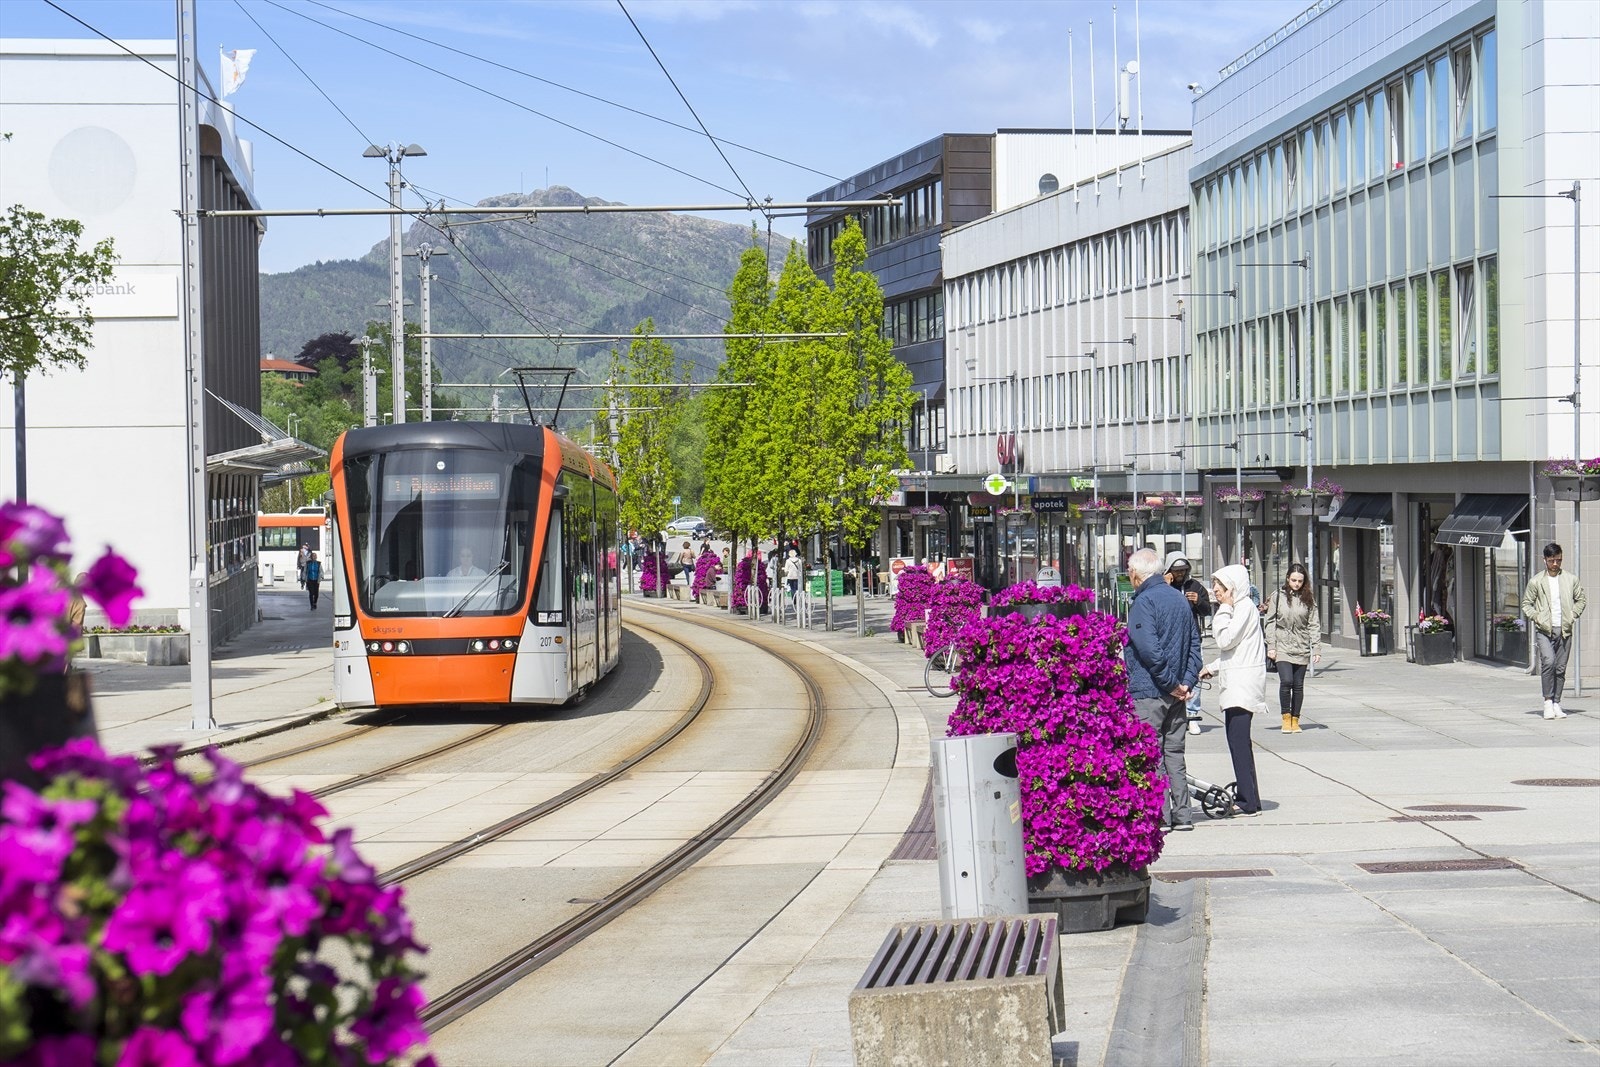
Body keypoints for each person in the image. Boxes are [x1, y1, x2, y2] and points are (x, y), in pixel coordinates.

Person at [1123, 547, 1203, 832]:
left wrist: (1173, 684)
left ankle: (1161, 816)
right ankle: (1183, 815)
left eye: (1130, 571)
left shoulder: (1143, 602)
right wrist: (1185, 683)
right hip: (1176, 692)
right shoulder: (1179, 599)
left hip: (1150, 691)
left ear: (1136, 573)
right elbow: (1195, 646)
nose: (1129, 576)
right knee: (1175, 754)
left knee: (1152, 754)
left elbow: (1149, 650)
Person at [1199, 564, 1267, 816]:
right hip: (1239, 681)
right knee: (1239, 743)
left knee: (1238, 743)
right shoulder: (1243, 608)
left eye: (1221, 586)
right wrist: (1212, 667)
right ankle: (1251, 797)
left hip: (1241, 687)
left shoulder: (1243, 607)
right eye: (1215, 585)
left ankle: (1247, 801)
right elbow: (1237, 652)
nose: (1216, 590)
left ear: (1234, 588)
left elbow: (1225, 640)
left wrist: (1224, 609)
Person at [1522, 542, 1587, 719]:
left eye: (1558, 560)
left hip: (1564, 629)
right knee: (1548, 662)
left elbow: (1581, 599)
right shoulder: (1536, 581)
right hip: (1544, 630)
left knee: (1560, 668)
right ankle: (1547, 702)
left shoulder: (1570, 579)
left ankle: (1556, 703)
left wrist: (1573, 614)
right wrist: (1537, 617)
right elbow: (1526, 604)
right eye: (1552, 560)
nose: (1555, 564)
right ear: (1545, 560)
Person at [1263, 562, 1321, 733]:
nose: (1296, 584)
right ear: (1288, 579)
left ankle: (1295, 719)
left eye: (1300, 581)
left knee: (1298, 685)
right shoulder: (1278, 596)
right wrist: (1271, 645)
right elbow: (1270, 621)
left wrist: (1316, 648)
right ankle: (1286, 717)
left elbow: (1313, 624)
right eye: (1293, 580)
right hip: (1282, 645)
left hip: (1301, 646)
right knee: (1286, 681)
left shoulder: (1308, 598)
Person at [1164, 554, 1212, 735]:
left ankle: (1192, 715)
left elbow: (1207, 610)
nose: (1180, 574)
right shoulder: (1164, 586)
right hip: (1170, 639)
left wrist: (1198, 601)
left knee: (1194, 675)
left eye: (1183, 570)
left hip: (1192, 638)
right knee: (1171, 676)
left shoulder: (1194, 586)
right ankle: (1175, 714)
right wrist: (1165, 586)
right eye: (1176, 571)